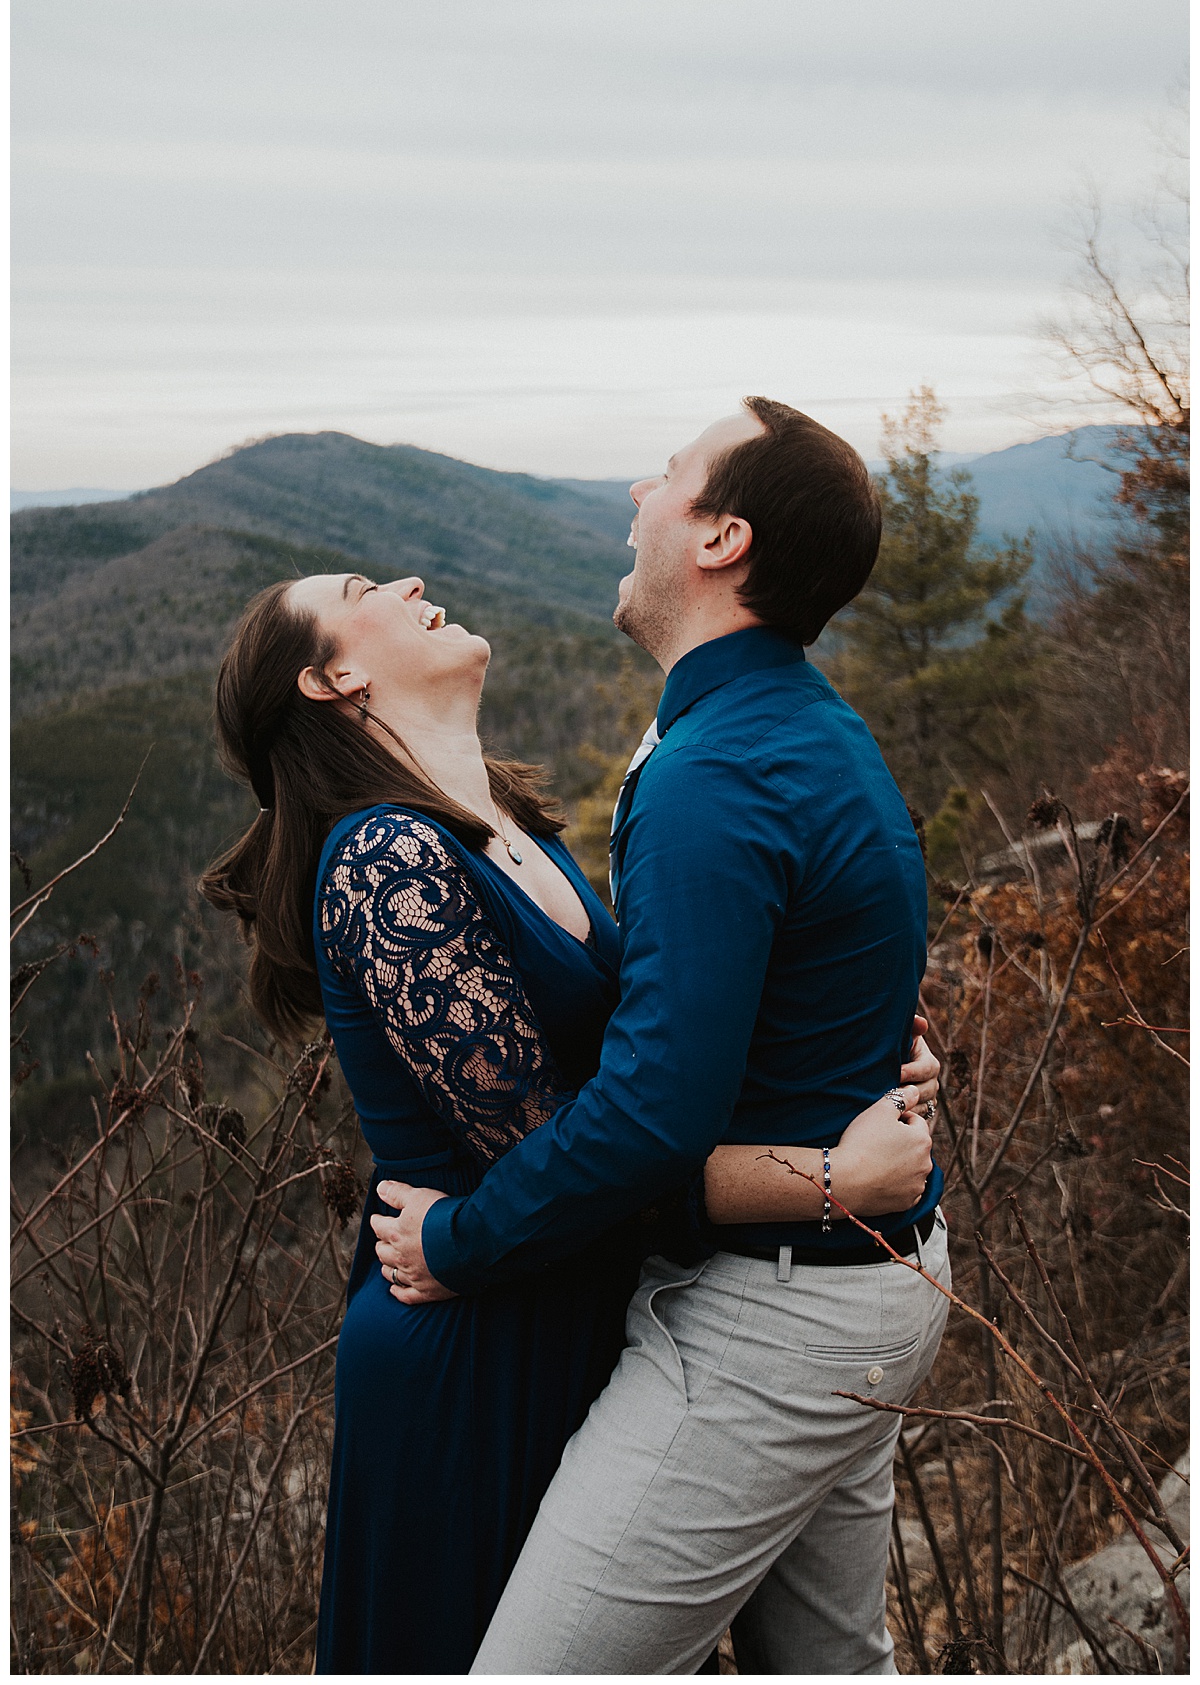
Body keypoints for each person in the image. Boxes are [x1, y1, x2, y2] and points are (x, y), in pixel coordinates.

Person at [199, 556, 941, 1674]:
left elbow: (665, 1046)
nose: (407, 582)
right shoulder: (384, 861)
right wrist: (826, 1177)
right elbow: (576, 1163)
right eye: (361, 592)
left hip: (576, 1311)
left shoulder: (501, 820)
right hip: (474, 1343)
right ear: (332, 678)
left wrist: (862, 1033)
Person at [374, 396, 951, 1675]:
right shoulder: (782, 727)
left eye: (671, 476)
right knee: (832, 1664)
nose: (641, 489)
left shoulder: (718, 773)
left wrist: (459, 1240)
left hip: (769, 1324)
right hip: (864, 1280)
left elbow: (650, 1119)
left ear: (719, 539)